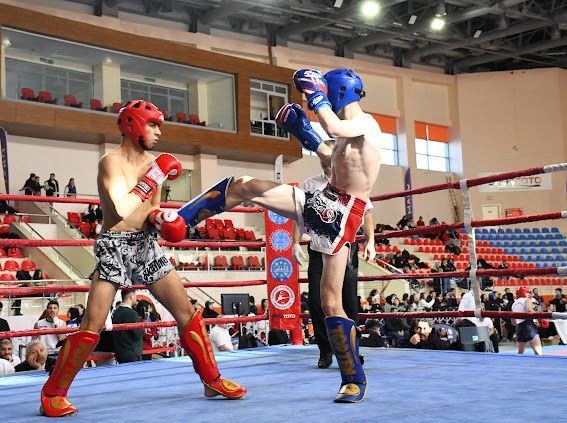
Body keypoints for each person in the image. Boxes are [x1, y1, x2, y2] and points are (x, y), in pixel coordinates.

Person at [178, 68, 380, 403]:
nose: (320, 99)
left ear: (338, 91)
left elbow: (333, 127)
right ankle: (181, 221)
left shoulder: (365, 124)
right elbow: (332, 158)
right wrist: (305, 134)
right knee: (244, 186)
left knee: (330, 301)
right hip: (322, 200)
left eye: (325, 92)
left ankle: (353, 379)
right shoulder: (348, 135)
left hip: (343, 213)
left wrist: (315, 98)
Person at [38, 100, 246, 418]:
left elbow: (150, 208)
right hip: (115, 245)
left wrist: (163, 219)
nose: (159, 132)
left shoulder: (153, 162)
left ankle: (211, 380)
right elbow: (122, 207)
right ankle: (53, 393)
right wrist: (155, 176)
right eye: (153, 125)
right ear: (133, 124)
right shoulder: (111, 163)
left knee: (187, 312)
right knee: (93, 323)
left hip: (145, 244)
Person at [292, 144, 375, 368]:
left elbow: (366, 214)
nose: (325, 160)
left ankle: (351, 350)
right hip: (319, 246)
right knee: (317, 301)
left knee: (348, 300)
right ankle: (325, 351)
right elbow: (299, 215)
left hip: (346, 247)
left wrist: (371, 241)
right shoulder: (310, 185)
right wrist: (295, 242)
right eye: (322, 156)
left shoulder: (354, 182)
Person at [511, 286, 543, 355]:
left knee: (520, 352)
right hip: (529, 325)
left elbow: (513, 322)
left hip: (519, 328)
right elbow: (529, 310)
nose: (529, 294)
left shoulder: (514, 304)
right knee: (538, 352)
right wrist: (539, 317)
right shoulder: (527, 300)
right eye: (528, 292)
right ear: (525, 293)